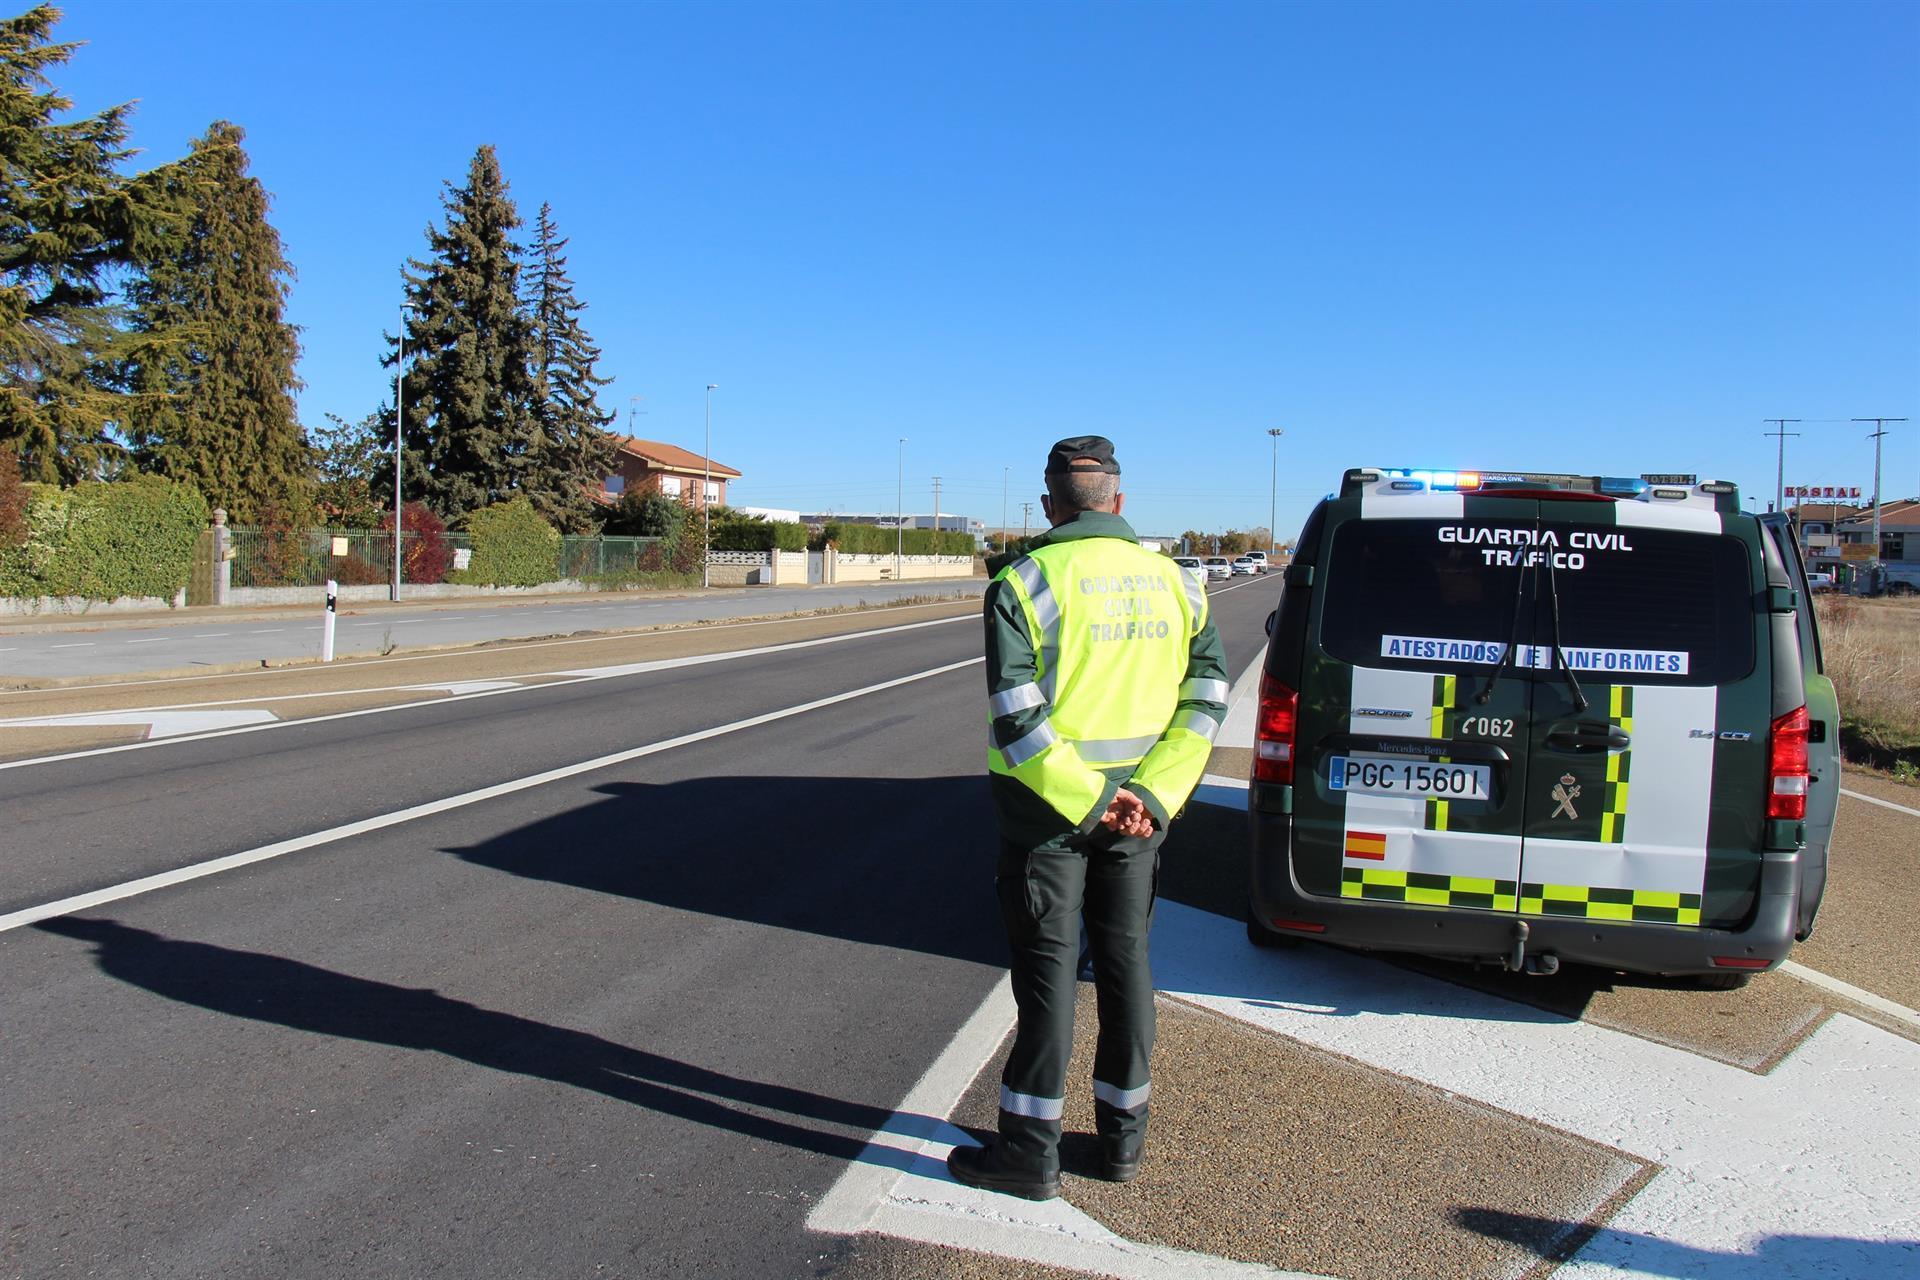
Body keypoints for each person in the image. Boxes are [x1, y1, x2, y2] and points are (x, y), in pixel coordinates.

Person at [949, 435, 1229, 1201]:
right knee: (1127, 964)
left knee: (1047, 977)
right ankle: (1121, 1145)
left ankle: (1028, 1154)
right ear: (1120, 501)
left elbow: (1017, 717)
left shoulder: (1025, 581)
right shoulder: (1179, 583)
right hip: (1141, 818)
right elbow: (1206, 700)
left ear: (1049, 505)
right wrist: (1154, 797)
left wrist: (1092, 799)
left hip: (1046, 815)